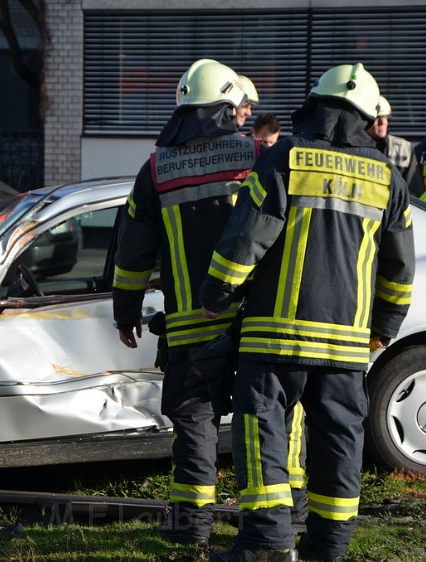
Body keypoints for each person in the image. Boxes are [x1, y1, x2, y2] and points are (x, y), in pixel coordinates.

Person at [200, 63, 415, 562]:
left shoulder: (286, 158)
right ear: (366, 116)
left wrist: (216, 296)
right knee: (339, 443)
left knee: (264, 435)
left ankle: (267, 545)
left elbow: (247, 239)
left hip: (274, 341)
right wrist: (382, 329)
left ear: (316, 105)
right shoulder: (387, 178)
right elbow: (399, 270)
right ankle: (328, 548)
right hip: (345, 346)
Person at [112, 59, 260, 547]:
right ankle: (277, 525)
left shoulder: (156, 168)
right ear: (228, 106)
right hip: (254, 323)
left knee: (194, 424)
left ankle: (191, 528)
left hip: (189, 328)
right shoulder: (256, 157)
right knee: (264, 421)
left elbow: (133, 253)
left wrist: (126, 312)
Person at [367, 96, 424, 196]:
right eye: (378, 118)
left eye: (386, 118)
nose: (383, 122)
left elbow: (413, 192)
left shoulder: (404, 149)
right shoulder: (352, 147)